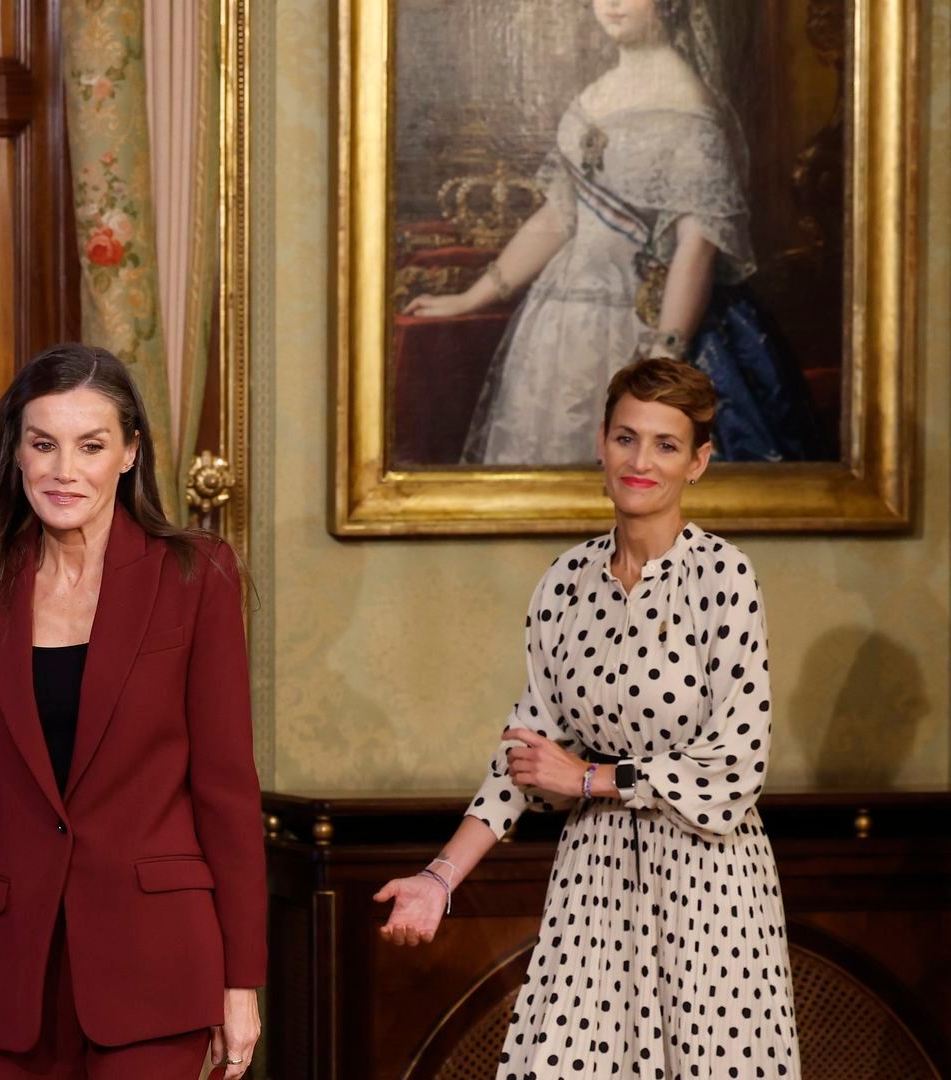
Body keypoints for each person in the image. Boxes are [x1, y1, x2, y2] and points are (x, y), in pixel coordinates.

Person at [375, 356, 803, 1078]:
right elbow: (524, 756)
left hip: (712, 895)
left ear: (698, 463)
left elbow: (737, 768)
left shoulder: (723, 577)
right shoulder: (565, 583)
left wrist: (590, 780)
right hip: (594, 889)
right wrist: (439, 878)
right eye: (627, 438)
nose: (642, 462)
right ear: (600, 442)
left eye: (667, 445)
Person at [0, 345, 265, 1080]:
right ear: (15, 453)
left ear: (129, 453)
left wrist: (241, 980)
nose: (63, 470)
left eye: (91, 446)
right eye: (43, 444)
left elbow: (226, 792)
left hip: (158, 970)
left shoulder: (194, 576)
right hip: (18, 974)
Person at [405, 0, 826, 465]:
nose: (611, 2)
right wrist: (473, 296)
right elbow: (559, 217)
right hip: (563, 325)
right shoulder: (593, 98)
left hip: (649, 321)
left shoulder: (689, 104)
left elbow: (697, 242)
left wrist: (666, 352)